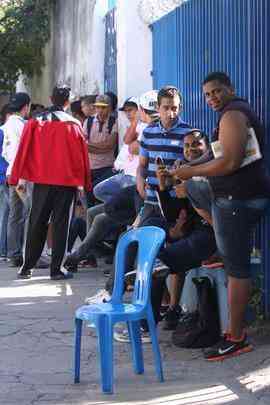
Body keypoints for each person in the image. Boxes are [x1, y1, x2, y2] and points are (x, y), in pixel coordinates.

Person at [170, 71, 270, 360]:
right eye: (207, 94)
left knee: (237, 270)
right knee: (191, 188)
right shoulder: (228, 113)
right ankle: (220, 242)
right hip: (228, 198)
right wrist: (188, 168)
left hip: (238, 200)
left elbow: (229, 161)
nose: (212, 97)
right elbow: (215, 153)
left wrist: (191, 170)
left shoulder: (234, 115)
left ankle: (236, 338)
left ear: (230, 89)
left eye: (216, 91)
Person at [9, 86, 91, 280]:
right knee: (61, 224)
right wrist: (83, 183)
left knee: (37, 221)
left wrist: (18, 177)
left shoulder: (35, 122)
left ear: (50, 98)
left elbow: (24, 150)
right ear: (67, 102)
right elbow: (81, 157)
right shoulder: (74, 124)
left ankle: (26, 267)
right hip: (66, 181)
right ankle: (56, 269)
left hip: (42, 181)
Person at [2, 92, 31, 267]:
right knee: (31, 213)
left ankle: (14, 255)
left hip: (11, 173)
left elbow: (5, 152)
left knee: (15, 215)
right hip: (22, 176)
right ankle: (29, 253)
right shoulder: (22, 125)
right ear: (25, 106)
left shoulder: (6, 125)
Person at [84, 94, 118, 206]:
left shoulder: (114, 121)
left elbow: (110, 145)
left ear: (109, 107)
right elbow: (83, 145)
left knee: (101, 199)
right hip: (90, 168)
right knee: (89, 200)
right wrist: (102, 147)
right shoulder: (88, 122)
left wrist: (90, 146)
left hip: (106, 167)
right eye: (98, 107)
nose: (100, 110)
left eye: (103, 107)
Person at [0, 104, 12, 261]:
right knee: (7, 215)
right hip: (5, 177)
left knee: (5, 214)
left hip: (4, 177)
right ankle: (3, 249)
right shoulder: (6, 131)